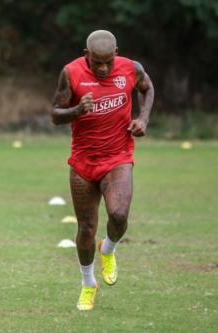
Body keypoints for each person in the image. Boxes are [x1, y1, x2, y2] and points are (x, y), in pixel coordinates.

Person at [50, 30, 154, 310]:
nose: (104, 68)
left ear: (116, 53)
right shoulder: (70, 73)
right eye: (97, 62)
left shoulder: (131, 68)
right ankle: (88, 284)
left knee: (119, 215)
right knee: (86, 228)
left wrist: (143, 119)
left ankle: (108, 248)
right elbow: (55, 115)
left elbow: (146, 88)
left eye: (108, 61)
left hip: (118, 156)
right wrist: (76, 111)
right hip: (83, 162)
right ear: (87, 56)